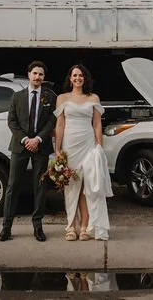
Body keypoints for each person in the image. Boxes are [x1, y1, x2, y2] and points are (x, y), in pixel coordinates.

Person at [53, 63, 112, 241]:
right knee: (71, 186)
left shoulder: (93, 98)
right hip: (70, 145)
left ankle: (85, 226)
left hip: (88, 145)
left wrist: (99, 147)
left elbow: (97, 124)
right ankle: (71, 226)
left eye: (81, 76)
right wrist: (57, 148)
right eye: (74, 76)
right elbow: (60, 124)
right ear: (70, 79)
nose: (78, 78)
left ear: (85, 79)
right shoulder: (62, 98)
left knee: (88, 186)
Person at [0, 60, 56, 242]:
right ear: (29, 74)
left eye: (41, 74)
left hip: (40, 146)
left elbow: (51, 122)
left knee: (39, 187)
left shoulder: (50, 97)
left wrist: (38, 139)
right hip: (20, 146)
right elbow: (12, 121)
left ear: (44, 77)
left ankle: (38, 227)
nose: (38, 77)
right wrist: (25, 140)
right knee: (12, 186)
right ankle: (6, 227)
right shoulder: (17, 97)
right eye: (35, 73)